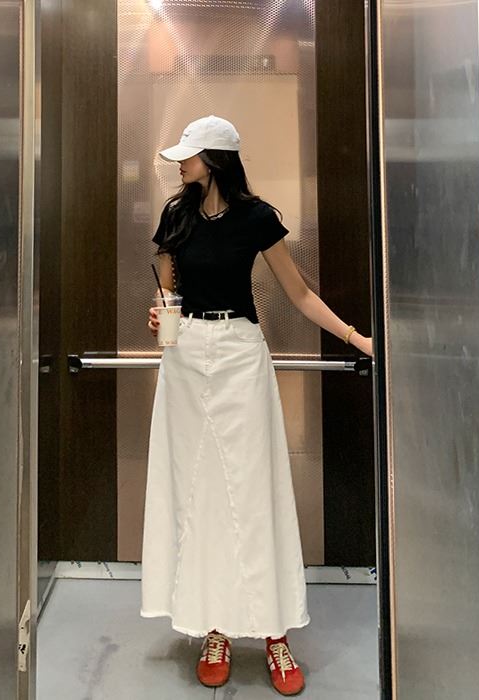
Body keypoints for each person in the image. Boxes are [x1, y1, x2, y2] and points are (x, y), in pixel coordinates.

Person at [141, 115, 372, 697]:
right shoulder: (175, 215)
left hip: (241, 355)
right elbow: (167, 293)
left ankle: (274, 632)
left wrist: (357, 339)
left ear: (214, 159)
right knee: (197, 493)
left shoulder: (258, 218)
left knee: (253, 490)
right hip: (185, 360)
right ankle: (214, 628)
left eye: (188, 155)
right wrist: (159, 315)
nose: (180, 163)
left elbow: (299, 294)